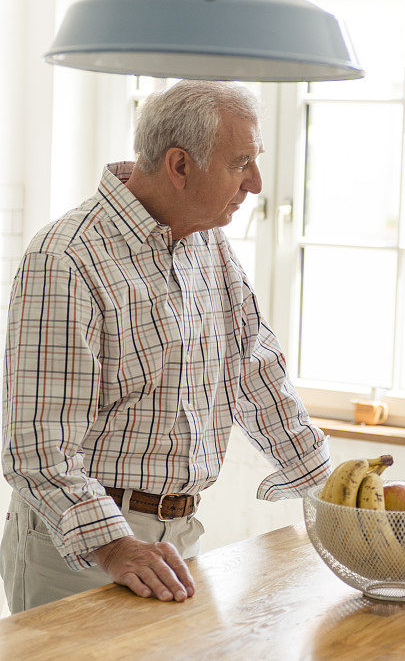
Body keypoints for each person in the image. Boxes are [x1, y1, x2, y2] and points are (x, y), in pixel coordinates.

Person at [1, 81, 331, 613]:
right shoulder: (66, 257)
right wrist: (115, 546)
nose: (256, 182)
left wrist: (334, 490)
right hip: (83, 547)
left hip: (178, 536)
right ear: (179, 166)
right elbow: (37, 446)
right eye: (240, 162)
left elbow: (252, 369)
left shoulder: (207, 241)